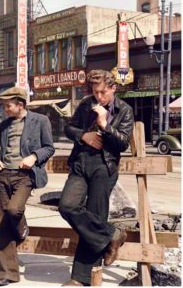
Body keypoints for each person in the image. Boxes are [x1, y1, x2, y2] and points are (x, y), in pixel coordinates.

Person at [59, 70, 134, 286]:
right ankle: (112, 234)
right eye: (95, 92)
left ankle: (80, 279)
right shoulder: (85, 104)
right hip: (81, 162)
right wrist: (83, 135)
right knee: (67, 206)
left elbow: (122, 143)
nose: (99, 96)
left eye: (102, 92)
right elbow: (68, 127)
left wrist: (105, 126)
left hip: (104, 164)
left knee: (93, 216)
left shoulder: (125, 110)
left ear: (113, 88)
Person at [0, 87, 55, 286]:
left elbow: (49, 147)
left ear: (20, 104)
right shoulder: (4, 125)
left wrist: (34, 156)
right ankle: (6, 274)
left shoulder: (40, 121)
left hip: (25, 176)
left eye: (8, 105)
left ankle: (22, 228)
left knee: (13, 209)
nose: (5, 109)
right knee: (0, 227)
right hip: (3, 175)